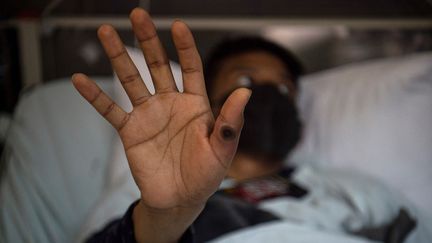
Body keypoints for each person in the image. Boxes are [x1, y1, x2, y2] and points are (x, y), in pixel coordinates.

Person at [73, 7, 418, 243]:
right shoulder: (147, 193)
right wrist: (165, 218)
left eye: (285, 88)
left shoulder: (348, 189)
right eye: (246, 79)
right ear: (207, 103)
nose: (269, 94)